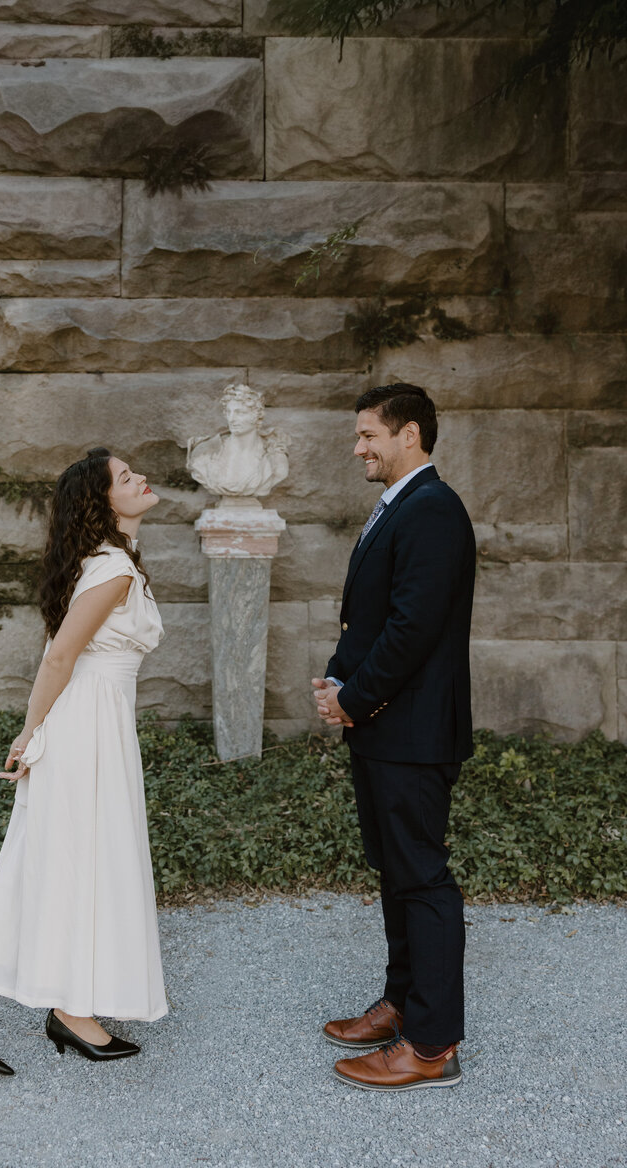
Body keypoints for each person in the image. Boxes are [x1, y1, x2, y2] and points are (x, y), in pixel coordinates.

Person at [0, 448, 167, 1075]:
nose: (141, 477)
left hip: (96, 724)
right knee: (56, 860)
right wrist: (30, 735)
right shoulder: (113, 569)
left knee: (76, 862)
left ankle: (67, 1009)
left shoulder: (109, 561)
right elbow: (59, 657)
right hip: (84, 728)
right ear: (102, 502)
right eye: (125, 477)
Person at [312, 383, 475, 1093]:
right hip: (385, 728)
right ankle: (402, 1004)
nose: (358, 448)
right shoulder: (400, 506)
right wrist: (336, 679)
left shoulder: (433, 509)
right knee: (398, 874)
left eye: (368, 435)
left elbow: (413, 629)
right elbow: (369, 619)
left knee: (424, 880)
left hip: (412, 732)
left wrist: (354, 698)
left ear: (410, 434)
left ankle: (432, 1046)